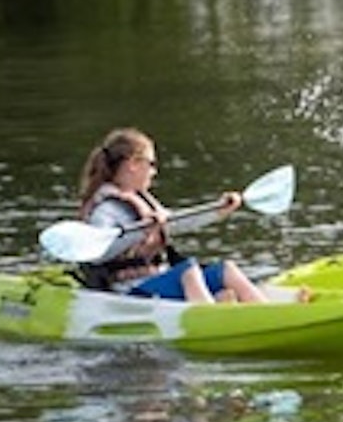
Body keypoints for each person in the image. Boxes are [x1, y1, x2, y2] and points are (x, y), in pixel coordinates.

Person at [73, 127, 267, 303]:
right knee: (188, 271)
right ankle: (210, 319)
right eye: (151, 164)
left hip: (156, 281)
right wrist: (141, 232)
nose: (154, 172)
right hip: (129, 293)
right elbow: (97, 255)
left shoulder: (144, 201)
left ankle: (264, 313)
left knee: (226, 270)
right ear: (133, 164)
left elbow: (176, 223)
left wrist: (218, 210)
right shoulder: (105, 210)